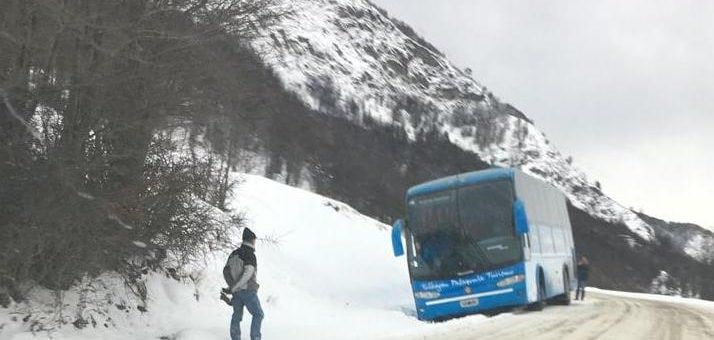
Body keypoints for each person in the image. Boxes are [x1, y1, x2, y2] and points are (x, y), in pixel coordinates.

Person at [224, 228, 263, 340]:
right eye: (254, 240)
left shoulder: (234, 254)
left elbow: (225, 271)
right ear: (251, 240)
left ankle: (235, 337)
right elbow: (248, 273)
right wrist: (236, 286)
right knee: (258, 314)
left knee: (237, 316)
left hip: (236, 292)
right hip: (248, 291)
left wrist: (232, 286)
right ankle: (255, 337)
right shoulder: (250, 254)